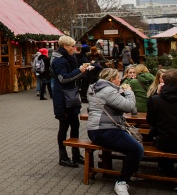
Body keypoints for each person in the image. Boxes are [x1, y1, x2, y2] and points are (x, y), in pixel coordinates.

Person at [87, 68, 143, 195]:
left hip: (97, 129)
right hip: (104, 130)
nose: (120, 79)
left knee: (135, 144)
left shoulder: (96, 87)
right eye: (118, 77)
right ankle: (122, 181)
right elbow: (129, 107)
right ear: (112, 79)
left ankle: (130, 170)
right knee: (136, 149)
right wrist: (129, 92)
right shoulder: (108, 91)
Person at [51, 35, 87, 168]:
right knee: (64, 127)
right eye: (72, 46)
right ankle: (63, 156)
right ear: (65, 47)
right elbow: (63, 79)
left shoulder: (68, 58)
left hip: (70, 96)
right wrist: (79, 70)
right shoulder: (59, 60)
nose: (74, 48)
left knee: (75, 125)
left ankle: (76, 154)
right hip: (63, 98)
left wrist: (82, 71)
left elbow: (72, 75)